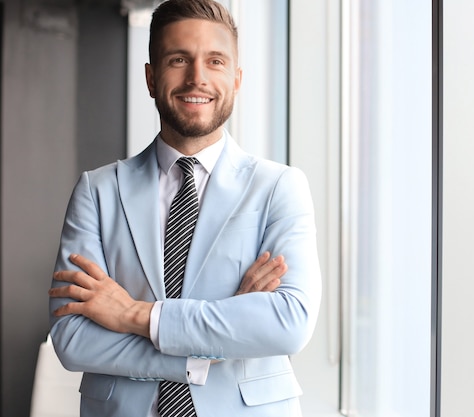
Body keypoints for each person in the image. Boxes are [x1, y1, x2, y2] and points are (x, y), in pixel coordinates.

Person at [47, 0, 321, 416]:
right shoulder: (98, 191)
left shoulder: (279, 187)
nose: (198, 77)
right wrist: (212, 342)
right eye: (179, 59)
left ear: (237, 78)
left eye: (215, 61)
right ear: (151, 77)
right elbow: (72, 337)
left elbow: (288, 322)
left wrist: (136, 315)